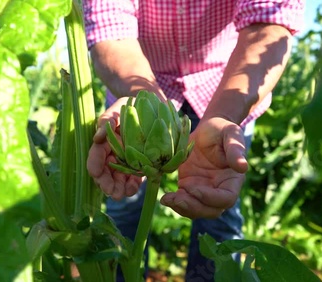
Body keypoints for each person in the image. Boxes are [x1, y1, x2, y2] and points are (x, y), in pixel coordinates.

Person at [84, 1, 305, 281]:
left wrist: (224, 114)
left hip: (228, 88)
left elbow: (268, 22)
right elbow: (110, 26)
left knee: (218, 214)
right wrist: (145, 104)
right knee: (124, 210)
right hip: (137, 88)